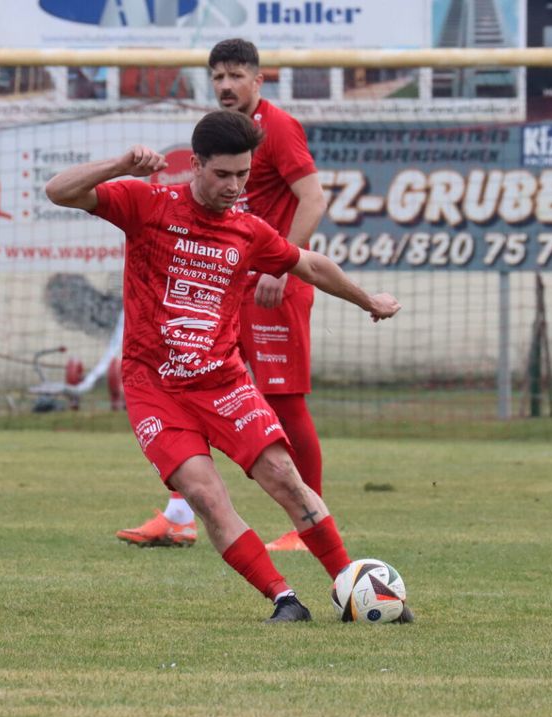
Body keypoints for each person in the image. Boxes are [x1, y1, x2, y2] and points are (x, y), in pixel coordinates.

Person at [45, 109, 405, 622]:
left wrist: (367, 298)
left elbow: (311, 264)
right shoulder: (147, 202)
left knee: (283, 475)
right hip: (155, 388)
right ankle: (284, 600)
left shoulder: (248, 231)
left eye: (243, 174)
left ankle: (355, 588)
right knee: (204, 495)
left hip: (223, 382)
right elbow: (59, 190)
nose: (234, 186)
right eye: (222, 174)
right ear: (194, 165)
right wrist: (121, 164)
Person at [117, 38, 329, 553]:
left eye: (237, 75)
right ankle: (180, 514)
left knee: (284, 403)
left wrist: (284, 267)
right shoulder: (225, 137)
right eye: (218, 77)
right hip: (232, 288)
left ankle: (310, 519)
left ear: (259, 80)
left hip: (274, 285)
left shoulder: (276, 128)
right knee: (195, 388)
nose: (226, 86)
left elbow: (313, 197)